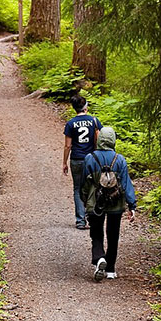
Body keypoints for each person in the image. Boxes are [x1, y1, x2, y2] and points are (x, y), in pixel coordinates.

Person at [82, 126, 136, 281]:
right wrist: (132, 205)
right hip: (116, 203)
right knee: (113, 235)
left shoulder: (90, 158)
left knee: (96, 233)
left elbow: (84, 183)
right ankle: (111, 269)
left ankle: (99, 258)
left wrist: (85, 201)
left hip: (95, 202)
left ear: (99, 140)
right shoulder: (119, 159)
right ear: (113, 140)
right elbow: (126, 184)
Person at [62, 94, 102, 229]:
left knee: (78, 188)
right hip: (92, 159)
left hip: (77, 159)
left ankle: (80, 220)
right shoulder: (94, 121)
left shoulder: (70, 123)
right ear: (85, 107)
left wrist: (64, 162)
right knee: (93, 187)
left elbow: (68, 145)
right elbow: (98, 140)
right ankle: (93, 218)